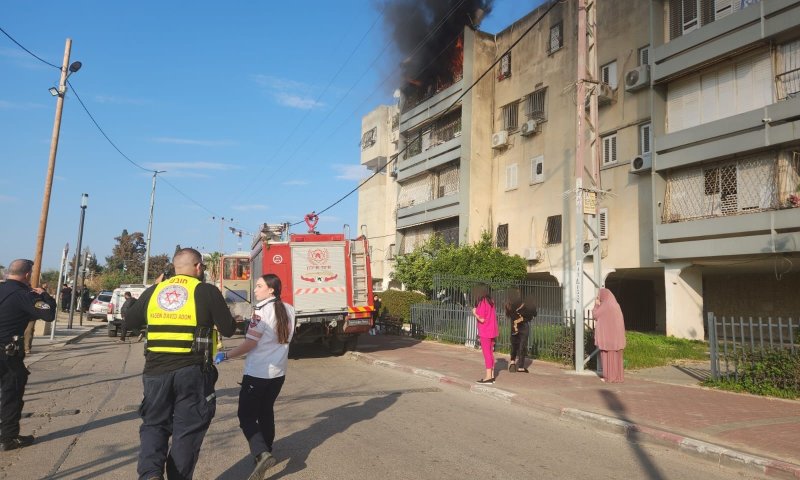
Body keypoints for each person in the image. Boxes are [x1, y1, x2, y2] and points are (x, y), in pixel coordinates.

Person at [125, 248, 236, 480]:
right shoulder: (206, 291)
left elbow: (130, 322)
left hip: (155, 371)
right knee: (187, 430)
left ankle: (150, 475)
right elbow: (228, 329)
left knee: (154, 425)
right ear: (198, 267)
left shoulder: (155, 291)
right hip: (193, 371)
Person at [214, 273, 295, 480]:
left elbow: (250, 343)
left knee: (246, 416)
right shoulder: (289, 309)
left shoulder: (260, 311)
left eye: (259, 286)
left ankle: (261, 453)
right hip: (278, 373)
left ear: (271, 290)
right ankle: (266, 450)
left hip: (258, 373)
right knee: (266, 411)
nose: (255, 289)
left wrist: (226, 355)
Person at [0, 259, 56, 451]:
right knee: (11, 394)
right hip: (8, 354)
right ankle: (8, 438)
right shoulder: (24, 295)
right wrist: (46, 296)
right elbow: (48, 314)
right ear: (27, 275)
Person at [592, 288, 626, 383]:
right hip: (617, 337)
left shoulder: (605, 305)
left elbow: (595, 315)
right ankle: (618, 377)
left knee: (607, 357)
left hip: (608, 337)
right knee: (617, 358)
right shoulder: (616, 305)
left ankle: (609, 377)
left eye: (599, 296)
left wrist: (596, 305)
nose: (599, 297)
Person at [504, 290, 537, 373]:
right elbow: (532, 314)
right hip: (523, 327)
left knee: (514, 345)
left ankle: (512, 362)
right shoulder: (523, 303)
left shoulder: (509, 304)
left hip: (514, 326)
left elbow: (511, 315)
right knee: (522, 346)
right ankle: (521, 367)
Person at [472, 284, 498, 384]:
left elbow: (482, 319)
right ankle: (491, 375)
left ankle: (488, 377)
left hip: (485, 330)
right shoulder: (491, 301)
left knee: (486, 353)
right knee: (491, 353)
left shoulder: (483, 302)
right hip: (492, 330)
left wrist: (474, 313)